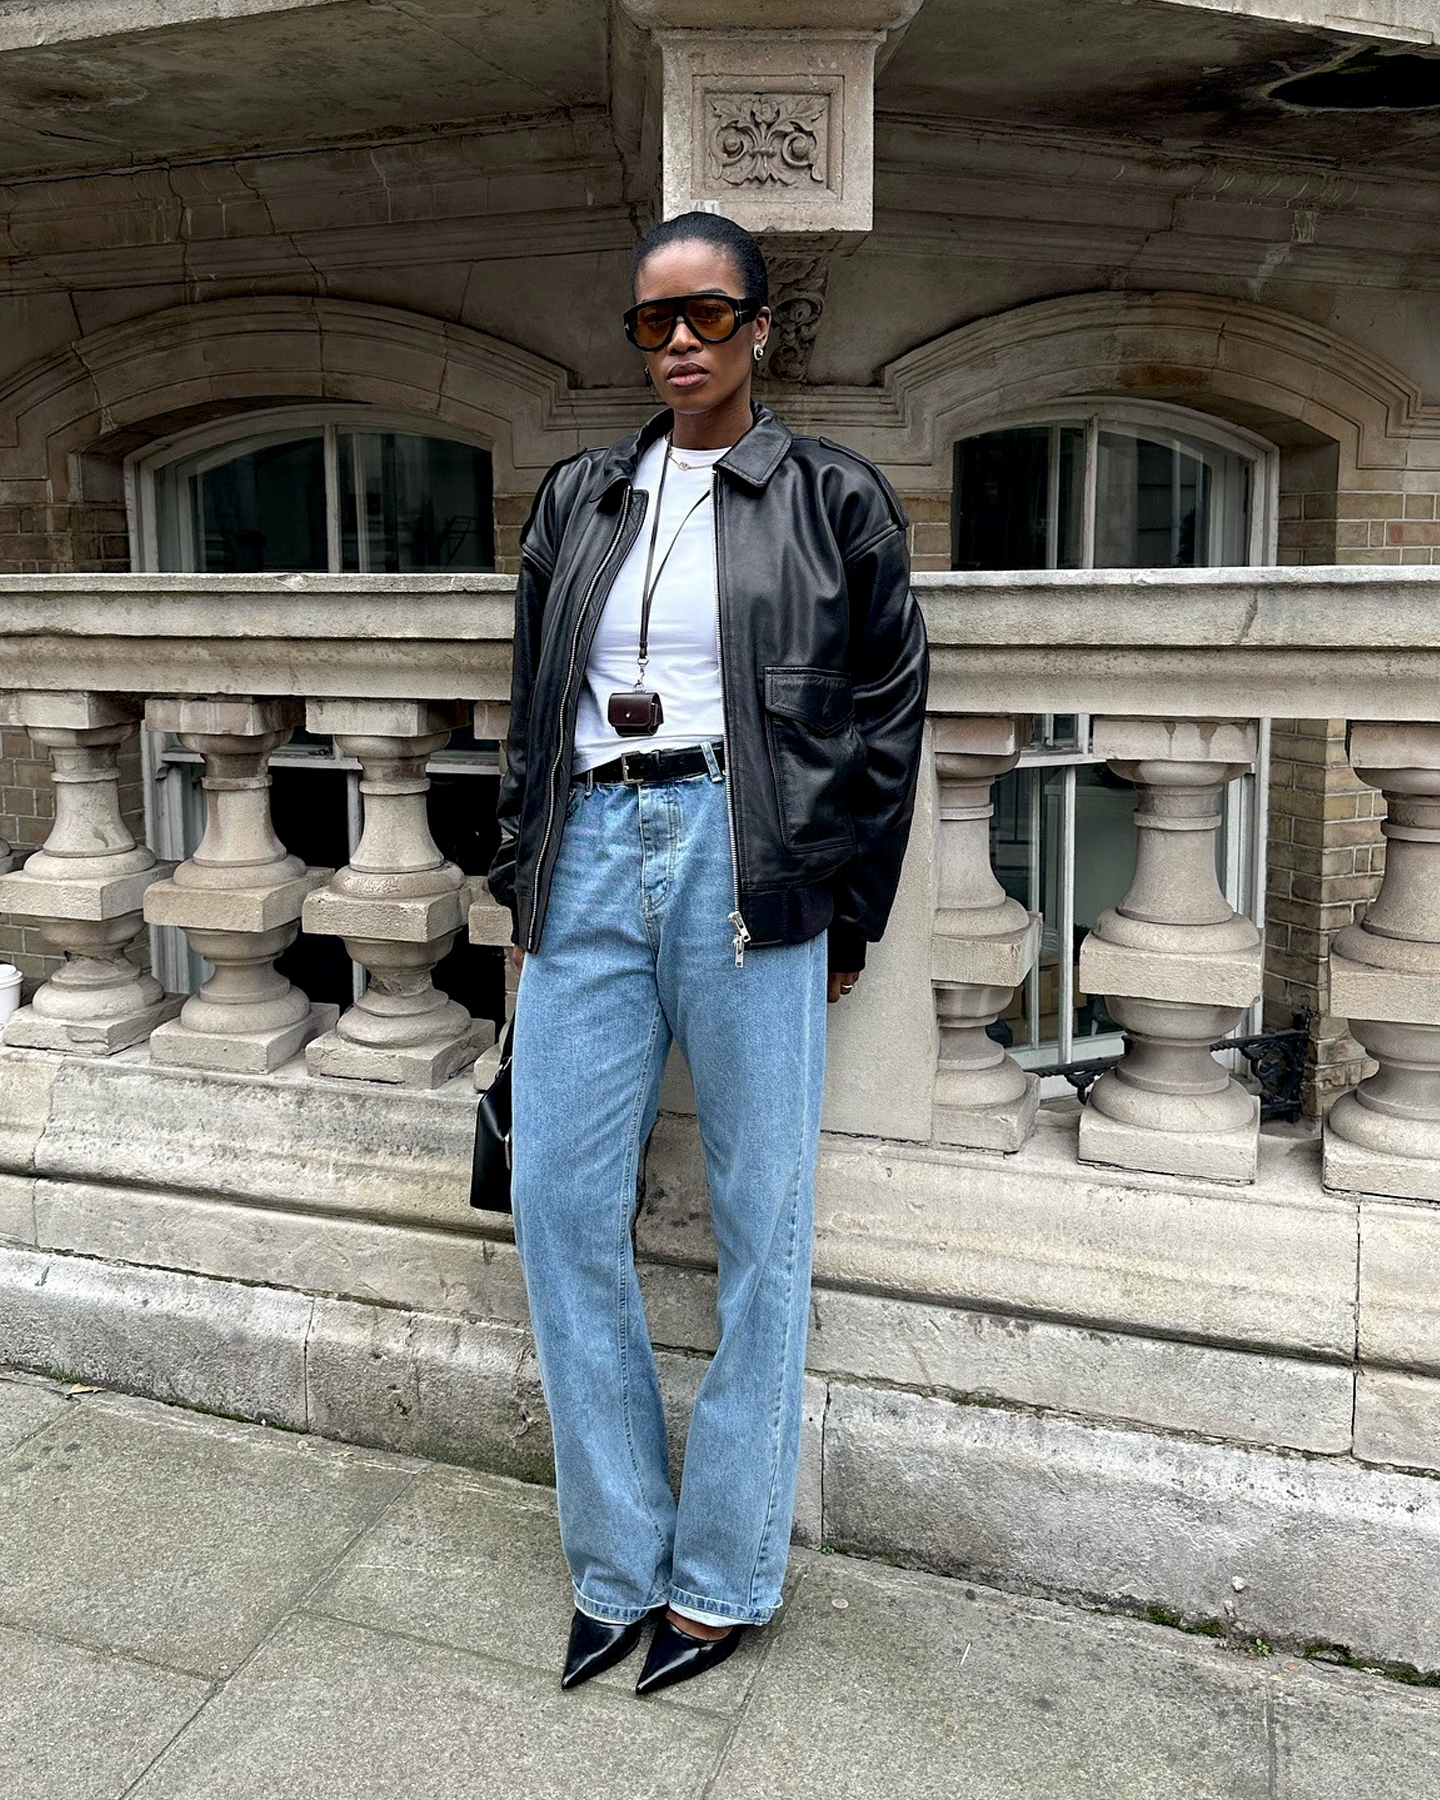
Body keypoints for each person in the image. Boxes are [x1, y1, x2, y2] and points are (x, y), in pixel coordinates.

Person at [486, 209, 928, 1698]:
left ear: (759, 327)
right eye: (654, 321)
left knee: (765, 1228)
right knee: (558, 1203)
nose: (679, 341)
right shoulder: (580, 497)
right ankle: (616, 1564)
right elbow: (530, 700)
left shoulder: (835, 500)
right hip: (594, 857)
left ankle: (723, 1575)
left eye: (708, 316)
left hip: (749, 863)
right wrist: (522, 875)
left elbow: (884, 723)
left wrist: (846, 909)